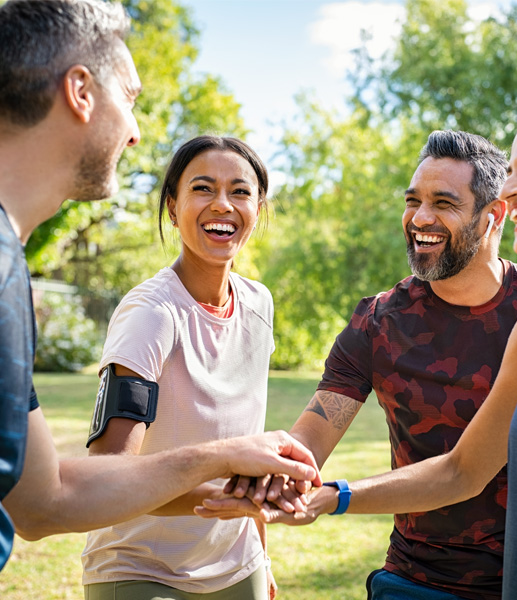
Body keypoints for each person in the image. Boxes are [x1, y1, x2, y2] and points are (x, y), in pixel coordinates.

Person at [0, 0, 321, 574]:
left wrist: (251, 528)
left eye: (241, 191)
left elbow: (41, 501)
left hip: (236, 565)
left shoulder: (10, 272)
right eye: (131, 97)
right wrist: (224, 463)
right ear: (79, 91)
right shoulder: (141, 308)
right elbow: (82, 486)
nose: (135, 132)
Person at [198, 130, 517, 600]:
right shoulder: (378, 323)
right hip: (418, 579)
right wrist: (268, 479)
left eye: (444, 203)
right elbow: (311, 438)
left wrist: (337, 496)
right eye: (413, 201)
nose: (420, 218)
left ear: (493, 216)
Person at [81, 135, 288, 600]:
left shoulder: (258, 304)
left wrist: (259, 552)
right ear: (172, 208)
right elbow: (111, 475)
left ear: (258, 208)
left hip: (238, 567)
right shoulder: (150, 314)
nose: (223, 205)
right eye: (202, 188)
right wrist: (238, 499)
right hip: (141, 570)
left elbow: (247, 439)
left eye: (240, 191)